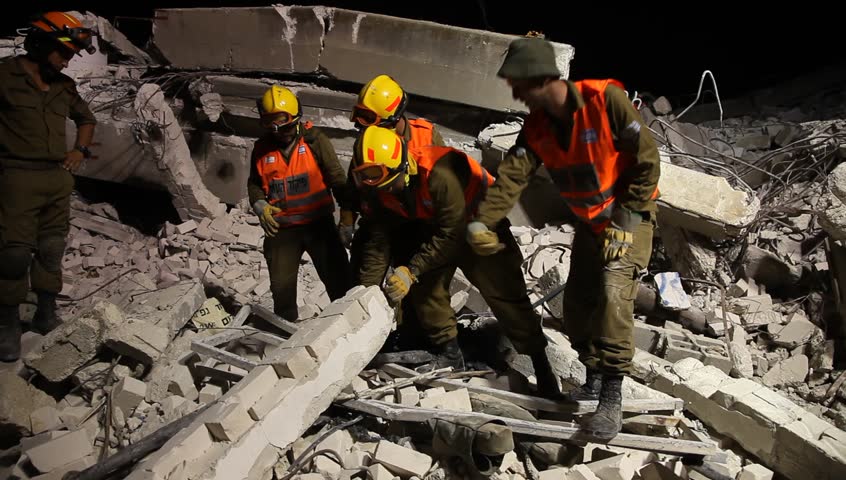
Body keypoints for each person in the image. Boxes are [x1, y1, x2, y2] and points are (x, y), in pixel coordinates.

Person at [466, 36, 661, 440]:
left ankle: (611, 394)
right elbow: (512, 177)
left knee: (612, 293)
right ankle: (591, 374)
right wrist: (483, 221)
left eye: (518, 84)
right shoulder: (537, 128)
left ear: (540, 77)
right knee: (576, 305)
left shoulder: (605, 102)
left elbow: (646, 162)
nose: (516, 94)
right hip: (591, 225)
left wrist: (625, 222)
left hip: (631, 215)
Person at [352, 125, 559, 384]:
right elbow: (378, 241)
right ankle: (450, 354)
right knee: (426, 292)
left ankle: (542, 369)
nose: (384, 193)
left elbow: (452, 235)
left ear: (402, 170)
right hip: (438, 225)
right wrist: (365, 293)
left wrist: (410, 270)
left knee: (506, 294)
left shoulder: (440, 174)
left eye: (388, 186)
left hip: (479, 225)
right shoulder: (379, 189)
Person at [0, 11, 98, 361]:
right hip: (15, 176)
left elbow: (87, 118)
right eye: (64, 52)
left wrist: (79, 150)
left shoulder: (64, 85)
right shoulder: (5, 76)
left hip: (56, 177)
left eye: (72, 55)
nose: (67, 60)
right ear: (40, 44)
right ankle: (8, 324)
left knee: (52, 248)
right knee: (12, 254)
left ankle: (46, 313)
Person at [248, 85, 353, 321]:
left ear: (296, 118)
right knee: (282, 290)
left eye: (285, 126)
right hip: (281, 231)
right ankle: (287, 339)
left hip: (319, 227)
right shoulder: (261, 149)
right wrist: (260, 207)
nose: (280, 132)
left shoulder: (315, 142)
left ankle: (349, 326)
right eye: (273, 126)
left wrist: (347, 220)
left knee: (339, 282)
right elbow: (254, 184)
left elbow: (338, 180)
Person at [341, 74, 446, 277]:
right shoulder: (366, 140)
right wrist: (347, 216)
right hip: (379, 219)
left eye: (370, 119)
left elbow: (443, 187)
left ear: (394, 117)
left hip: (416, 223)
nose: (364, 126)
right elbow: (354, 183)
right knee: (363, 284)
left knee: (408, 288)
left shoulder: (426, 136)